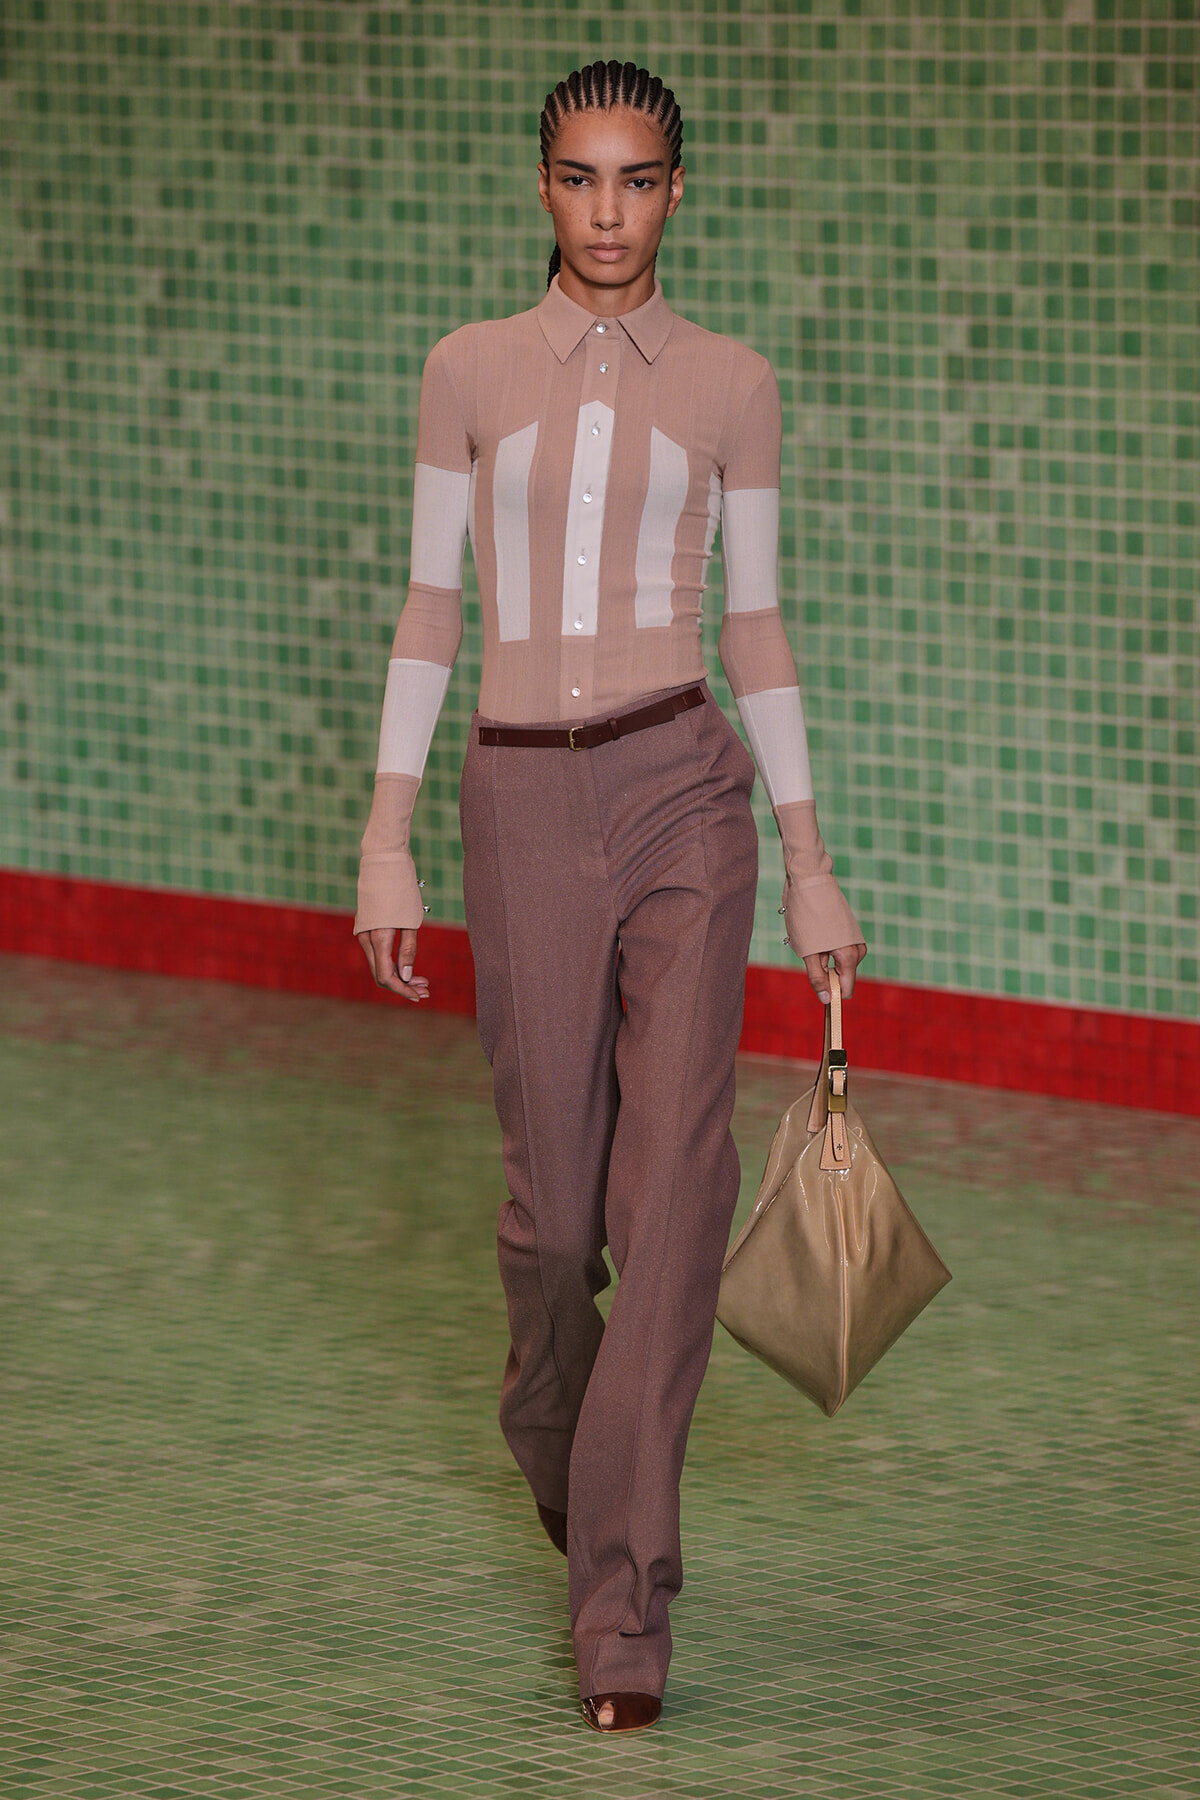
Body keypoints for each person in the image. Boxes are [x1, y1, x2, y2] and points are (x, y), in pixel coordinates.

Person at [355, 60, 866, 1733]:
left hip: (684, 798)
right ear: (542, 187)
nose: (607, 212)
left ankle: (625, 1607)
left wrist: (805, 858)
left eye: (638, 180)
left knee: (669, 1209)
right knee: (553, 1221)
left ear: (674, 191)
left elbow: (759, 630)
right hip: (514, 796)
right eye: (579, 178)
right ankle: (561, 1438)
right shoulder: (465, 372)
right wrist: (389, 831)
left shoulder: (732, 384)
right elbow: (433, 603)